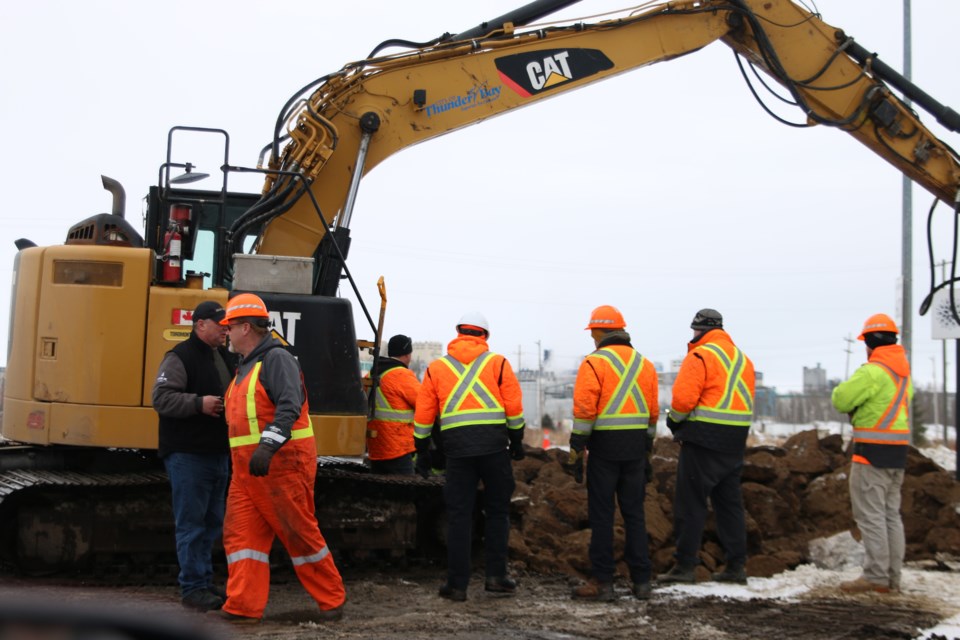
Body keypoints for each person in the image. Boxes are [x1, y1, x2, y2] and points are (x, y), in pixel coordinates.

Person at [212, 293, 346, 624]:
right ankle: (242, 605)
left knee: (298, 533)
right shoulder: (247, 366)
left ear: (246, 328)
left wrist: (268, 446)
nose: (225, 333)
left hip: (281, 465)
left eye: (229, 327)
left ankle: (332, 599)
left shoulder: (276, 359)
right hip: (249, 471)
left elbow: (289, 406)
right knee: (242, 537)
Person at [413, 311, 525, 602]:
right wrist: (517, 440)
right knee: (498, 512)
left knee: (459, 516)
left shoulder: (437, 368)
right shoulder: (498, 363)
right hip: (494, 449)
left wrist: (422, 449)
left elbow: (424, 413)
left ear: (459, 333)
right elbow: (513, 407)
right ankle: (496, 577)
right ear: (484, 336)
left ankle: (457, 584)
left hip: (457, 452)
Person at [659, 308, 755, 585]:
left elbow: (683, 400)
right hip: (735, 440)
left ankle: (685, 565)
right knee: (730, 504)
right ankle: (736, 566)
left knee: (691, 503)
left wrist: (675, 424)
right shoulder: (742, 360)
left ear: (699, 330)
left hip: (703, 439)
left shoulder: (700, 355)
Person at [569, 305, 659, 602]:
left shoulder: (594, 363)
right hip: (634, 449)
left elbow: (585, 411)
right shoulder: (644, 364)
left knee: (602, 516)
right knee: (635, 515)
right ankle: (642, 582)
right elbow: (652, 412)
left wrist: (576, 447)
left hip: (605, 449)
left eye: (592, 332)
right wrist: (647, 449)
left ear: (598, 331)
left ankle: (603, 583)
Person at [152, 300, 235, 612]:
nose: (225, 329)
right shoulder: (179, 357)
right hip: (189, 454)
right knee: (192, 524)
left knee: (211, 524)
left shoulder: (222, 357)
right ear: (200, 324)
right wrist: (198, 404)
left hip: (216, 454)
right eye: (220, 323)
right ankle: (192, 589)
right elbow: (161, 398)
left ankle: (202, 583)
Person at [831, 313, 912, 594]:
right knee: (891, 515)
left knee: (871, 516)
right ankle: (892, 577)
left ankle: (876, 577)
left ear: (872, 342)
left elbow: (841, 398)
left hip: (872, 455)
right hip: (897, 454)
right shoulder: (902, 373)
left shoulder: (873, 371)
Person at [366, 334, 421, 475]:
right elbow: (424, 403)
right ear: (407, 354)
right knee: (405, 491)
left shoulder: (371, 374)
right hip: (397, 447)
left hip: (375, 445)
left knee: (380, 491)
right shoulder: (401, 375)